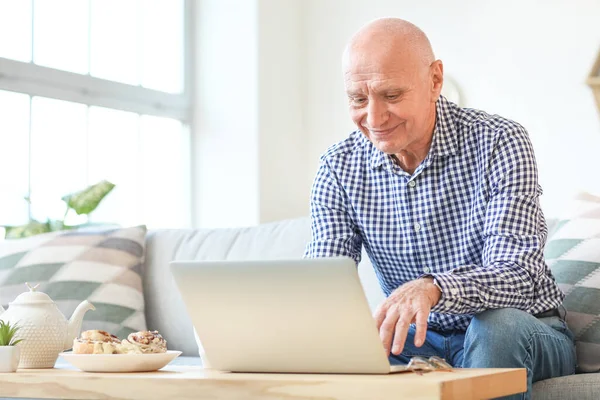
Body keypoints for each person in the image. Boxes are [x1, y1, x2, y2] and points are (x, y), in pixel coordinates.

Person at [304, 17, 576, 399]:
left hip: (523, 329)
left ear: (435, 80)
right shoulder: (338, 167)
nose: (374, 118)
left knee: (494, 329)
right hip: (417, 343)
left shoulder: (500, 141)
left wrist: (434, 288)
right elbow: (322, 284)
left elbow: (518, 277)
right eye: (358, 99)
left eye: (392, 95)